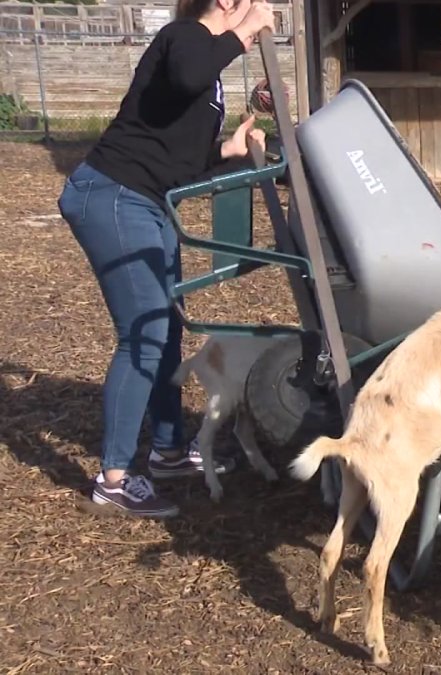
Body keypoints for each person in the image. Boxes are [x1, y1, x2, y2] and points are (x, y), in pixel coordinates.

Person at [57, 0, 278, 518]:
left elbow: (177, 154)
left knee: (167, 329)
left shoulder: (206, 61)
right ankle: (112, 479)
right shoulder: (183, 38)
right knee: (144, 335)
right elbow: (186, 75)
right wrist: (246, 30)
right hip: (114, 194)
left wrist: (227, 152)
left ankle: (169, 449)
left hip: (151, 201)